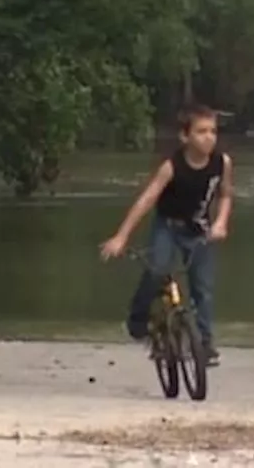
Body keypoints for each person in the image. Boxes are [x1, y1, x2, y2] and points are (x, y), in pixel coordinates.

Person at [99, 104, 233, 366]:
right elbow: (147, 199)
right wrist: (122, 236)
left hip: (199, 229)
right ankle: (138, 320)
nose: (209, 137)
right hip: (168, 227)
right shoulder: (172, 166)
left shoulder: (222, 163)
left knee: (203, 289)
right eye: (201, 131)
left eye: (213, 131)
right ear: (185, 137)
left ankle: (205, 344)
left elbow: (226, 194)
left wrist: (221, 222)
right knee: (157, 270)